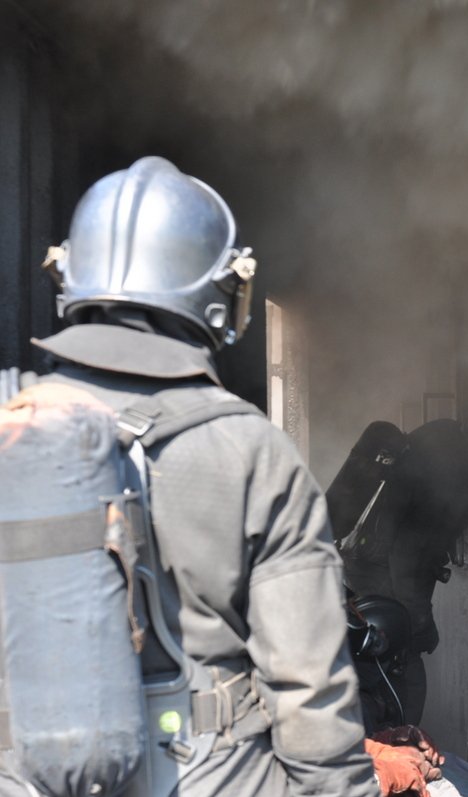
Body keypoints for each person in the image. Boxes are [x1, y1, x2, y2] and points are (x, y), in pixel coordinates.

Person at [0, 157, 376, 795]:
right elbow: (309, 691)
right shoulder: (254, 452)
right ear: (222, 296)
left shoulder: (11, 431)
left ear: (70, 276)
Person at [329, 388, 468, 723]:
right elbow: (408, 552)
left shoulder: (443, 434)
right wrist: (420, 621)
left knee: (372, 678)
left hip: (361, 577)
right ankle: (395, 750)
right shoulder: (454, 477)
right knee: (403, 685)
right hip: (383, 590)